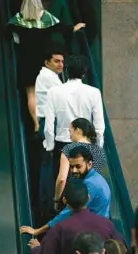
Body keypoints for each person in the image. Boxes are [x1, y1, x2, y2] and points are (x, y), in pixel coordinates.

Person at [6, 0, 85, 134]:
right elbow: (63, 28)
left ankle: (36, 124)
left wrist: (17, 38)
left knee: (31, 94)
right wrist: (75, 27)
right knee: (50, 91)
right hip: (42, 60)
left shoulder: (20, 18)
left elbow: (7, 30)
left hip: (26, 60)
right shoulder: (46, 17)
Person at [20, 145, 111, 237]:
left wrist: (37, 231)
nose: (74, 170)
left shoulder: (91, 184)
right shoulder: (94, 178)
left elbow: (67, 213)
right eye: (71, 166)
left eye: (78, 166)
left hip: (94, 234)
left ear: (90, 164)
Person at [44, 54, 105, 182]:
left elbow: (49, 126)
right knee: (86, 186)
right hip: (86, 146)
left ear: (66, 70)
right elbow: (99, 127)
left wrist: (50, 146)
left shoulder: (53, 92)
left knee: (63, 183)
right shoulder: (94, 93)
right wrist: (97, 148)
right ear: (83, 73)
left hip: (61, 144)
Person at [28, 181, 124, 254]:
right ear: (88, 198)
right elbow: (121, 248)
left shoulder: (59, 229)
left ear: (65, 201)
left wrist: (37, 249)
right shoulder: (107, 224)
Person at [54, 118, 105, 211]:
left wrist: (57, 199)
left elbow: (62, 179)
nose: (69, 136)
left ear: (78, 130)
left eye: (70, 131)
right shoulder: (99, 151)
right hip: (93, 196)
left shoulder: (69, 148)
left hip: (73, 196)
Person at [35, 47, 64, 138]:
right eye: (57, 61)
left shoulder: (50, 75)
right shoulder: (47, 76)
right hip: (51, 123)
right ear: (47, 63)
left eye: (62, 61)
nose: (61, 64)